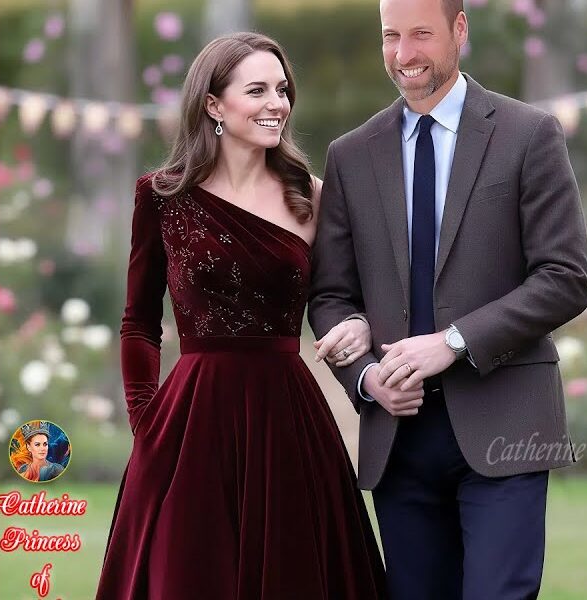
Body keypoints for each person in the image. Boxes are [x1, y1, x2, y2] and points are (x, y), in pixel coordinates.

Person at [306, 0, 587, 596]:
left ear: (460, 30)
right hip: (398, 438)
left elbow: (564, 277)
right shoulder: (351, 155)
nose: (404, 55)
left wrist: (453, 342)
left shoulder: (529, 134)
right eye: (391, 37)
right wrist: (364, 379)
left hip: (505, 422)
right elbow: (330, 295)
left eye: (420, 35)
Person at [97, 32, 386, 599]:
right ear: (213, 104)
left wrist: (362, 324)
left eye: (282, 90)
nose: (276, 103)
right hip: (187, 424)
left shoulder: (313, 196)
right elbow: (139, 323)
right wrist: (145, 424)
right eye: (257, 90)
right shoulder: (161, 197)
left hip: (288, 420)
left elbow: (352, 298)